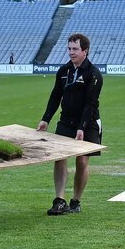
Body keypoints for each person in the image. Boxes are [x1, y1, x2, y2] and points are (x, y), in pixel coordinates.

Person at [38, 33, 104, 216]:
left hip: (88, 122)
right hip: (66, 121)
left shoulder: (93, 74)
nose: (71, 52)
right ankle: (60, 200)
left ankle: (76, 200)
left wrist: (82, 127)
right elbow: (55, 96)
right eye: (69, 48)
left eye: (75, 49)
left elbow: (91, 104)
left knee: (82, 161)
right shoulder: (63, 71)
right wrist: (46, 119)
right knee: (59, 157)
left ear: (85, 51)